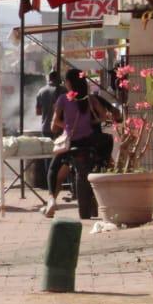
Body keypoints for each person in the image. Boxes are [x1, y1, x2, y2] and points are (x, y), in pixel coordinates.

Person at [46, 68, 119, 218]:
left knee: (53, 168)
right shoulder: (90, 98)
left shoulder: (63, 99)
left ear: (68, 83)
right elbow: (104, 117)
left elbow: (53, 126)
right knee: (106, 148)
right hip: (89, 141)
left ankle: (51, 199)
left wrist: (67, 125)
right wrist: (92, 121)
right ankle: (106, 165)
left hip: (71, 143)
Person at [33, 70, 64, 136]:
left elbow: (38, 112)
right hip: (60, 129)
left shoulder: (41, 91)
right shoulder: (64, 90)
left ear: (49, 79)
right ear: (59, 79)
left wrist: (47, 109)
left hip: (45, 129)